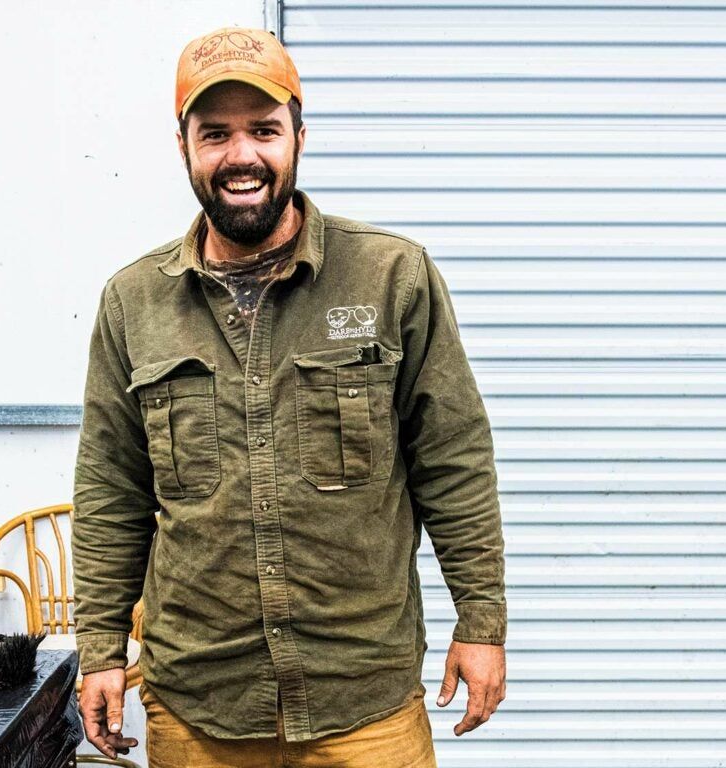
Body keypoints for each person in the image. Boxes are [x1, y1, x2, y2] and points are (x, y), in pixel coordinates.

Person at [72, 25, 507, 767]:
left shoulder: (391, 277)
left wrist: (482, 622)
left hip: (363, 700)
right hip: (200, 705)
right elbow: (110, 490)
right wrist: (99, 651)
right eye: (216, 133)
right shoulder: (132, 303)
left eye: (264, 129)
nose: (241, 155)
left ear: (299, 136)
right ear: (185, 148)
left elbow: (454, 461)